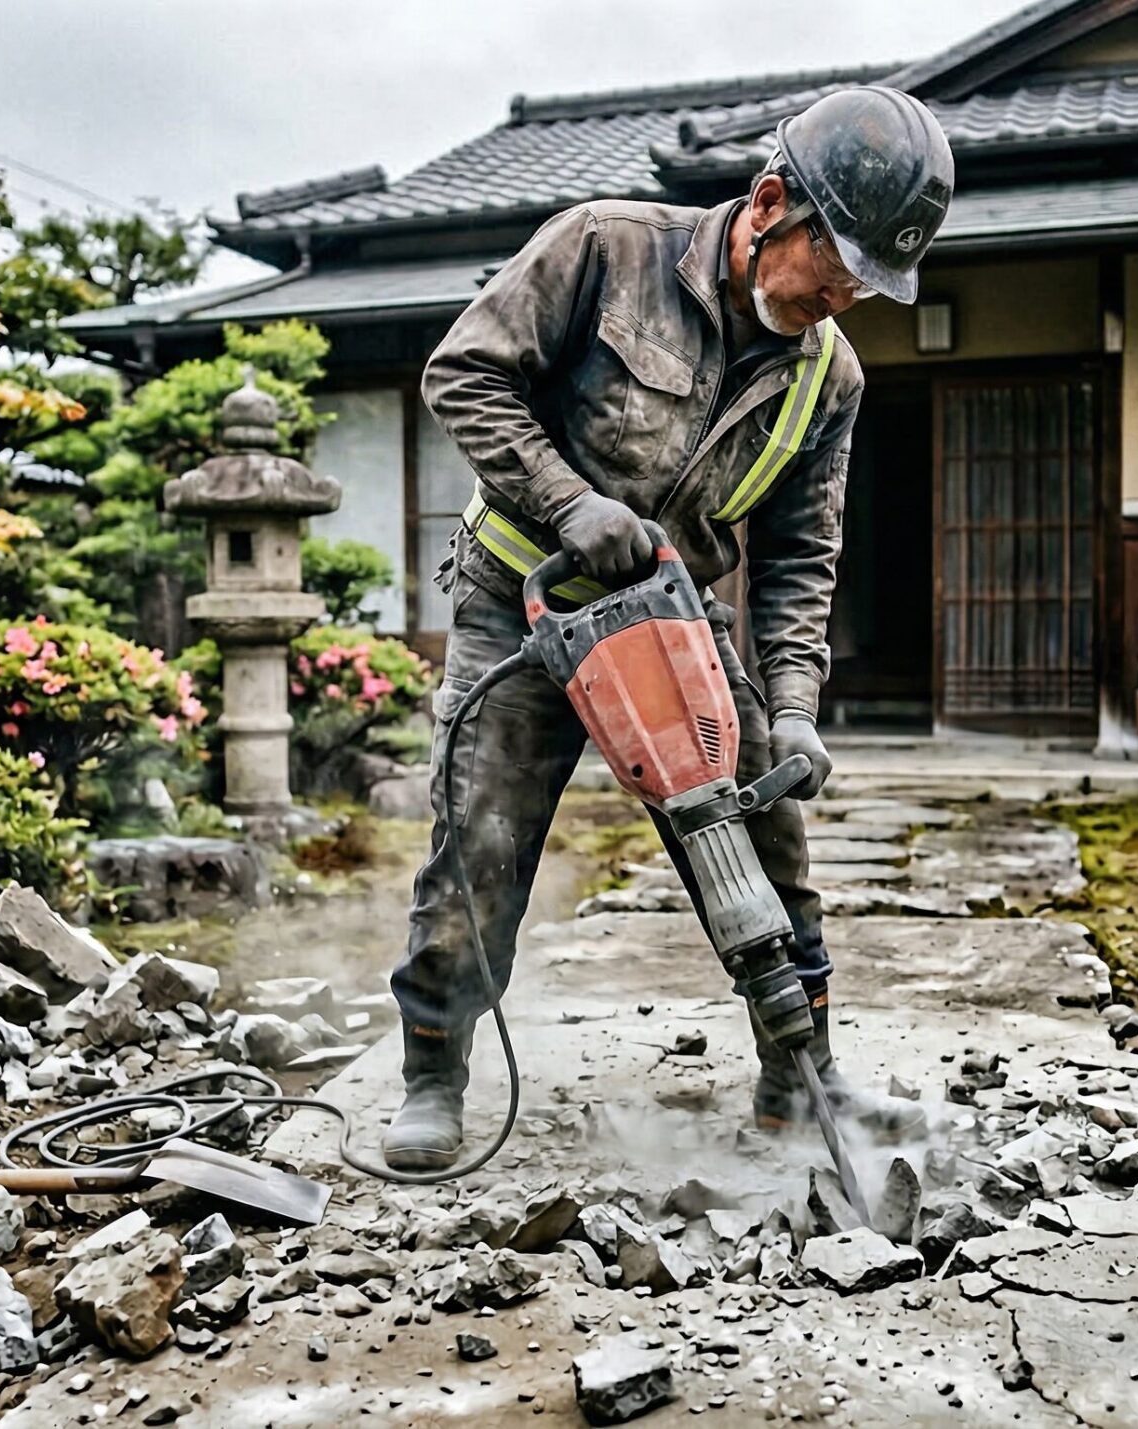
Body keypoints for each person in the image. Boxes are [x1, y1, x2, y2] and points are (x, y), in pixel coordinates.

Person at [383, 86, 955, 1170]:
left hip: (675, 622)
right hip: (521, 603)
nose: (842, 297)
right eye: (834, 264)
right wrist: (568, 503)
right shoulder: (604, 248)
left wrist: (794, 711)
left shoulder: (828, 376)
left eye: (865, 285)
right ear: (770, 205)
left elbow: (800, 554)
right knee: (480, 840)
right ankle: (432, 1074)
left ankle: (800, 1077)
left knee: (768, 842)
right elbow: (462, 373)